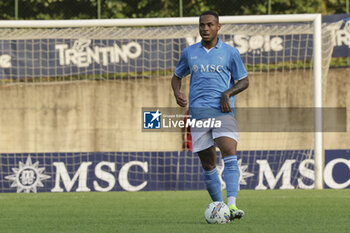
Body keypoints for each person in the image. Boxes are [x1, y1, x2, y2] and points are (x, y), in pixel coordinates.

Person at [171, 10, 249, 221]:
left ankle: (232, 206)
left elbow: (244, 81)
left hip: (222, 112)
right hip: (198, 114)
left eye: (209, 25)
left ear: (218, 27)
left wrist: (228, 93)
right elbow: (177, 76)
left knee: (229, 151)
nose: (205, 28)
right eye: (202, 25)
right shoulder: (189, 53)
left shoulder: (230, 53)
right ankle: (220, 207)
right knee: (208, 164)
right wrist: (177, 93)